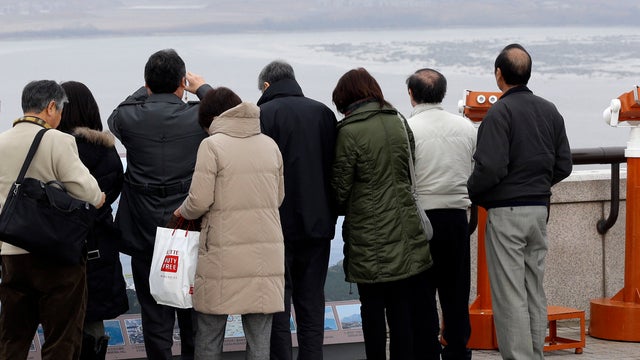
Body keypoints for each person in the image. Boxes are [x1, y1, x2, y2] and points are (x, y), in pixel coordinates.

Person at [467, 44, 572, 360]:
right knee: (532, 290)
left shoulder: (500, 112)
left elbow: (490, 167)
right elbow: (563, 164)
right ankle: (535, 353)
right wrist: (538, 187)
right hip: (539, 210)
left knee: (510, 294)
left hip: (506, 212)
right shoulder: (549, 109)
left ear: (499, 74)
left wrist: (476, 193)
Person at [107, 49, 213, 360]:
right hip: (190, 227)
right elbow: (230, 113)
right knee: (194, 314)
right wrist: (202, 89)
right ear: (183, 82)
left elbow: (117, 113)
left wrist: (146, 88)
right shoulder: (198, 116)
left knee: (154, 317)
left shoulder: (128, 117)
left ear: (147, 83)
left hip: (144, 231)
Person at [173, 87, 285, 359]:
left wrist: (181, 212)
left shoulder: (212, 145)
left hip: (222, 254)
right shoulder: (269, 144)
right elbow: (278, 197)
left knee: (210, 335)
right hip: (264, 255)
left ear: (210, 118)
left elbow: (199, 201)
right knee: (260, 342)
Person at [330, 67, 432, 360]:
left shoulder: (349, 132)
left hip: (368, 235)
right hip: (405, 231)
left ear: (346, 99)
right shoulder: (399, 121)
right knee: (402, 309)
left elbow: (339, 190)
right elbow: (410, 167)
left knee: (372, 310)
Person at [0, 80, 105, 360]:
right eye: (59, 110)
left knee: (12, 337)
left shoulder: (1, 141)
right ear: (50, 107)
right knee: (61, 339)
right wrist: (99, 197)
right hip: (55, 256)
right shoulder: (58, 140)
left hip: (12, 255)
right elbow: (89, 193)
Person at [256, 60, 338, 360]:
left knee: (278, 302)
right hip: (319, 222)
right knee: (312, 300)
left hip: (276, 224)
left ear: (266, 86)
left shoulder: (263, 115)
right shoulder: (323, 113)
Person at [406, 68, 476, 359]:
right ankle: (458, 349)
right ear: (443, 93)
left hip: (421, 218)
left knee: (422, 292)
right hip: (457, 216)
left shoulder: (408, 128)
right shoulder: (466, 127)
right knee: (456, 292)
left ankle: (427, 349)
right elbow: (474, 168)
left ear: (411, 95)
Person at [59, 81, 129, 360]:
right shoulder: (107, 150)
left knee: (60, 320)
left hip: (59, 243)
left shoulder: (58, 148)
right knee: (93, 318)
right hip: (99, 242)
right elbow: (111, 191)